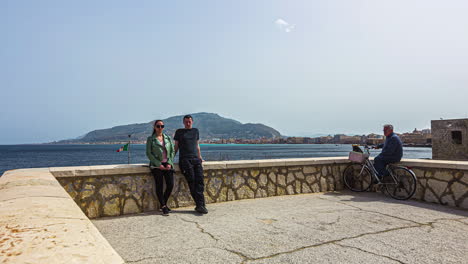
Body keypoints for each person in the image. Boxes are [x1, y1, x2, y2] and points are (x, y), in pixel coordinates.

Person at [174, 115, 208, 214]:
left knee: (200, 181)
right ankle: (200, 205)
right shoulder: (179, 132)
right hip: (185, 160)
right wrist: (170, 159)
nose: (188, 123)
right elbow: (176, 147)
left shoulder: (195, 131)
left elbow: (197, 145)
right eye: (186, 122)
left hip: (196, 159)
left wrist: (200, 156)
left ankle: (201, 205)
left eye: (189, 121)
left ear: (192, 122)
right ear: (183, 122)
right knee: (192, 181)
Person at [146, 120, 175, 216]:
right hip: (156, 165)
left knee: (170, 184)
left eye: (162, 126)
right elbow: (149, 153)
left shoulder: (168, 138)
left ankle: (164, 204)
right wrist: (158, 164)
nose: (160, 128)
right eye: (158, 126)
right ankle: (163, 206)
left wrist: (170, 163)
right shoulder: (151, 139)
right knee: (159, 185)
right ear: (154, 127)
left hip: (167, 164)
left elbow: (172, 152)